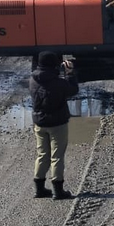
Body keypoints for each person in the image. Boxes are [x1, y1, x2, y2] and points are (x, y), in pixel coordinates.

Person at [30, 51, 79, 200]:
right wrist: (70, 74)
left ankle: (39, 189)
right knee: (57, 156)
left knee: (42, 154)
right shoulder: (59, 82)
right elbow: (73, 90)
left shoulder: (32, 80)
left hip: (39, 122)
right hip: (58, 123)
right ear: (54, 64)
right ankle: (58, 191)